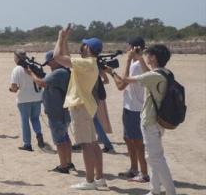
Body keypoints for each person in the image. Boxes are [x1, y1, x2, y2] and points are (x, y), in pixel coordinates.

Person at [114, 44, 176, 195]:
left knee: (157, 159)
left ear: (154, 57)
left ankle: (171, 192)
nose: (147, 57)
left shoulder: (153, 76)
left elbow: (124, 80)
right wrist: (140, 58)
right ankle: (154, 190)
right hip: (160, 120)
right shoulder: (165, 73)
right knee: (153, 157)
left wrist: (128, 60)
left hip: (150, 121)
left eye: (149, 55)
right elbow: (149, 73)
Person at [52, 24, 107, 190]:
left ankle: (89, 181)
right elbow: (67, 57)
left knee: (86, 145)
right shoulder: (90, 63)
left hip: (80, 106)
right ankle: (99, 178)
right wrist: (65, 40)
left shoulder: (86, 63)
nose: (82, 46)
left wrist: (60, 37)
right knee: (93, 143)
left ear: (88, 48)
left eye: (84, 44)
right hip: (87, 106)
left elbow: (57, 57)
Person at [109, 37, 149, 182]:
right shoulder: (136, 64)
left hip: (135, 109)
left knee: (137, 142)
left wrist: (114, 72)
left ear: (133, 47)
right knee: (128, 139)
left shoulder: (136, 65)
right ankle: (133, 169)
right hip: (129, 107)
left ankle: (143, 174)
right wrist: (113, 73)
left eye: (129, 46)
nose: (127, 49)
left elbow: (121, 85)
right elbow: (124, 83)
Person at [28, 51, 75, 174]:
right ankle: (68, 162)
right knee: (65, 137)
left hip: (57, 112)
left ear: (55, 60)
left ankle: (63, 165)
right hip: (62, 111)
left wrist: (31, 73)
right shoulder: (63, 72)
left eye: (49, 62)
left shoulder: (59, 72)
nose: (49, 65)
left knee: (59, 140)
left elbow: (41, 83)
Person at [9, 51, 45, 151]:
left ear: (17, 58)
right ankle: (39, 134)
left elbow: (14, 87)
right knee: (35, 118)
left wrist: (12, 90)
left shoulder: (16, 69)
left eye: (14, 57)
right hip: (37, 97)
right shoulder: (33, 66)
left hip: (23, 99)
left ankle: (27, 144)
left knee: (25, 121)